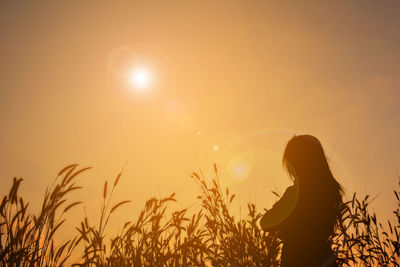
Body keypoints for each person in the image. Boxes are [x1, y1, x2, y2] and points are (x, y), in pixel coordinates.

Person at [260, 135, 343, 267]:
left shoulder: (295, 193)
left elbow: (265, 222)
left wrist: (284, 227)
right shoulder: (330, 188)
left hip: (297, 257)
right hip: (323, 256)